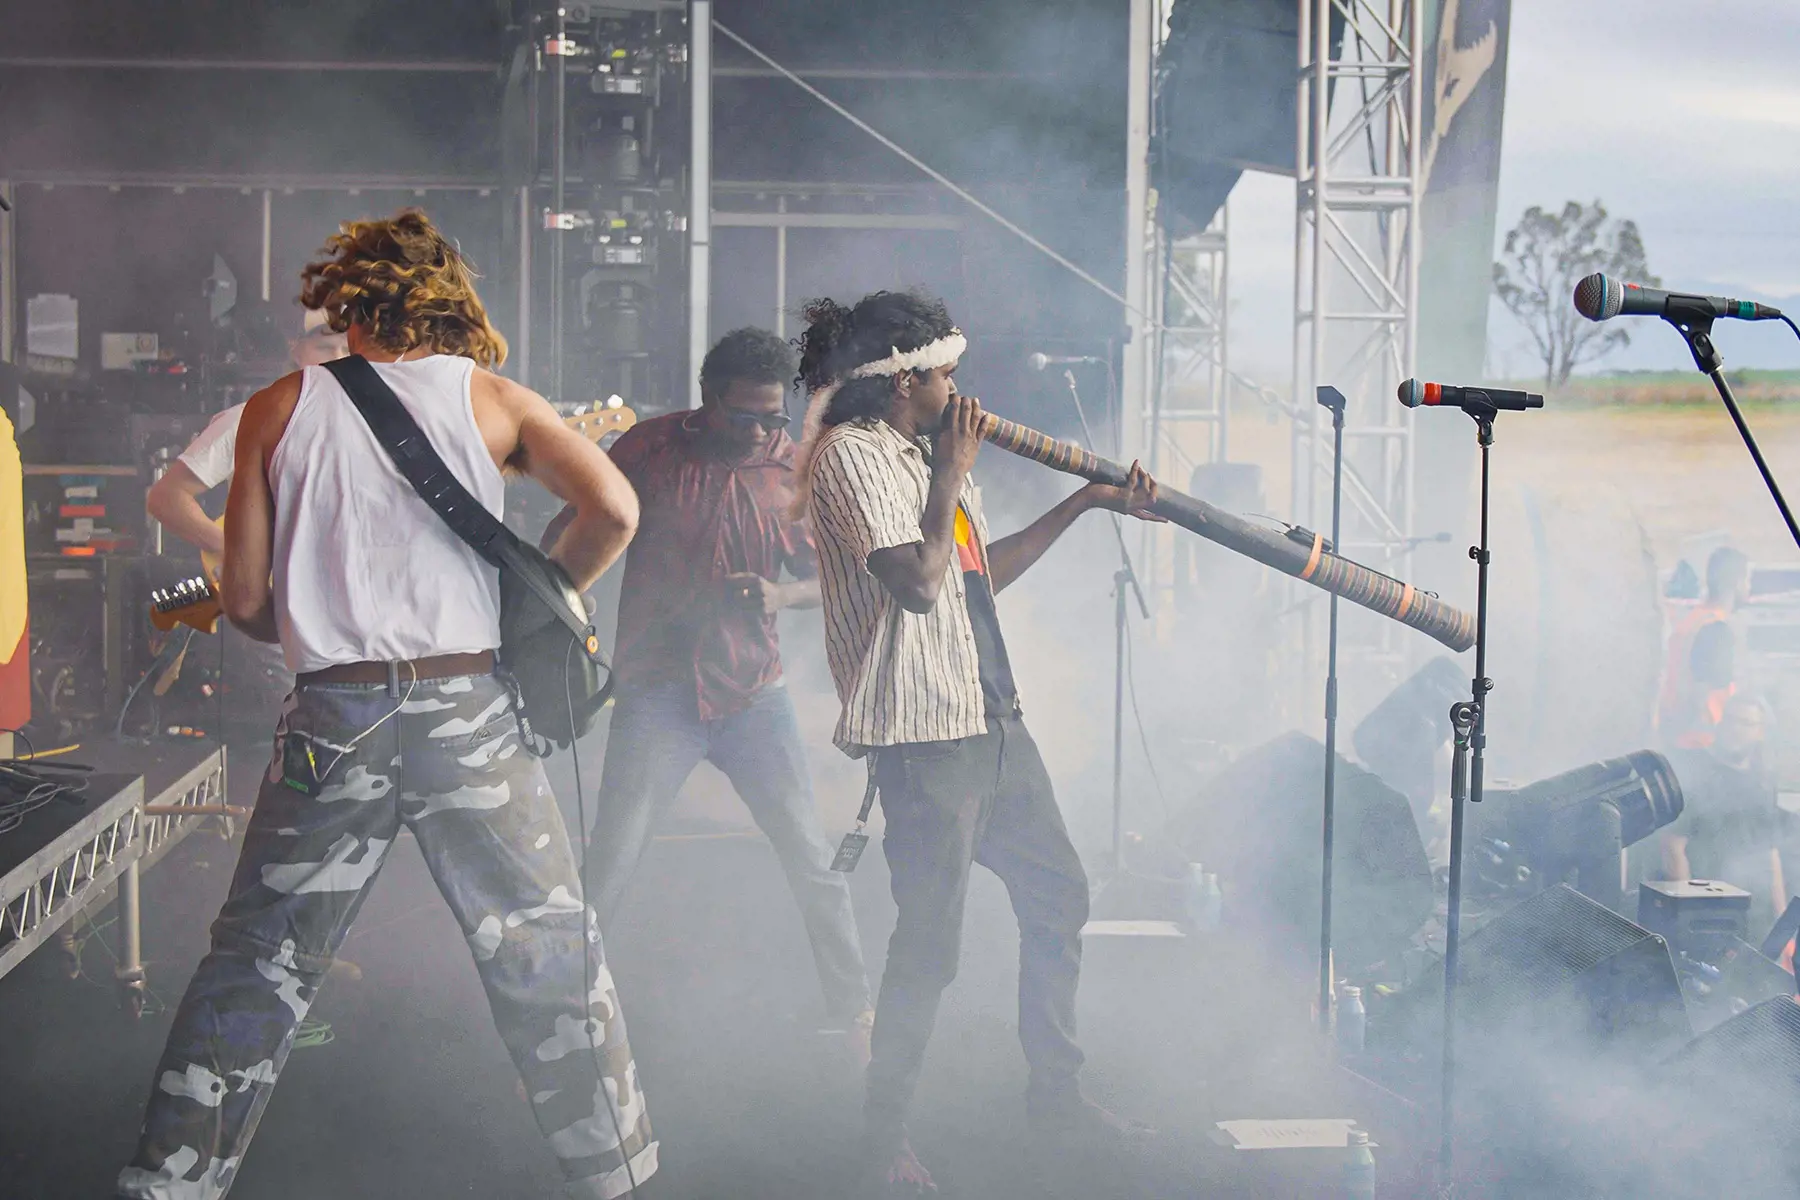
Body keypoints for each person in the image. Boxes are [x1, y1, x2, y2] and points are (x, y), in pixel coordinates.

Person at [115, 210, 658, 1200]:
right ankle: (616, 1177)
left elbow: (239, 601)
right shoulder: (490, 396)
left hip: (337, 719)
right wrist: (531, 613)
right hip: (471, 714)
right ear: (443, 301)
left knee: (258, 964)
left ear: (349, 304)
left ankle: (169, 1184)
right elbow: (613, 510)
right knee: (546, 948)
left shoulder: (279, 407)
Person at [793, 290, 1160, 1191]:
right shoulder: (851, 458)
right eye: (948, 374)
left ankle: (1057, 1097)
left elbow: (971, 581)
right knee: (930, 945)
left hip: (994, 720)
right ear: (903, 380)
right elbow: (916, 587)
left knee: (1060, 897)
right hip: (924, 740)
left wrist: (1083, 505)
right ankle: (883, 1142)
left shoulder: (926, 455)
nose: (962, 390)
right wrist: (951, 472)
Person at [541, 328, 874, 1050]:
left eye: (772, 417)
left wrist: (781, 597)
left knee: (812, 861)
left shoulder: (795, 471)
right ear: (708, 400)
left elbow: (844, 579)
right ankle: (563, 1021)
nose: (760, 431)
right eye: (745, 415)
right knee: (612, 863)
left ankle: (853, 1014)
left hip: (755, 696)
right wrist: (568, 593)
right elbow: (568, 527)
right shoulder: (647, 451)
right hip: (657, 694)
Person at [145, 309, 348, 561]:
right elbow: (166, 497)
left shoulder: (368, 429)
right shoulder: (250, 419)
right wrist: (237, 553)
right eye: (325, 347)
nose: (339, 359)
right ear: (296, 351)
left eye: (348, 350)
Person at [1656, 545, 1749, 750]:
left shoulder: (1694, 620)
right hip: (1701, 742)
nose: (1749, 587)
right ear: (1736, 583)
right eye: (1747, 579)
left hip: (1676, 733)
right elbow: (1704, 692)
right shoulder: (1716, 630)